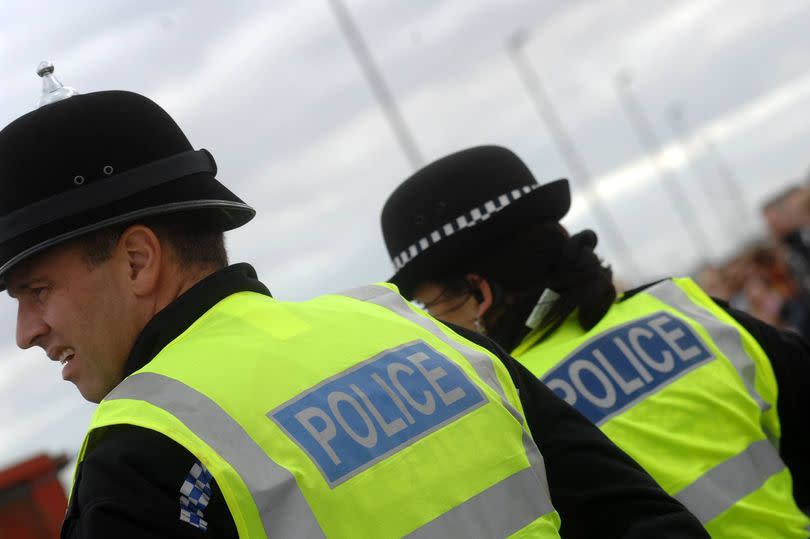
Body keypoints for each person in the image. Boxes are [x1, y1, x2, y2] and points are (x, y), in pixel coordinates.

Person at [0, 84, 709, 539]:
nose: (27, 332)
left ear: (137, 259)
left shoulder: (143, 449)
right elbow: (642, 521)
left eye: (36, 291)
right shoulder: (413, 330)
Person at [379, 145, 810, 538]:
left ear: (479, 294)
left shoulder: (511, 408)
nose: (433, 323)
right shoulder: (686, 310)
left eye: (428, 303)